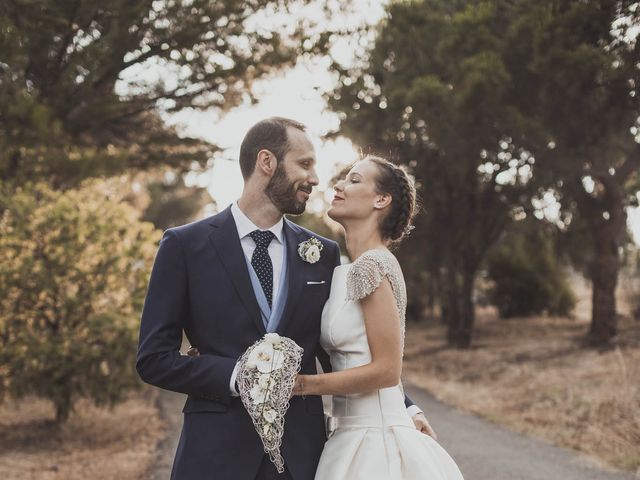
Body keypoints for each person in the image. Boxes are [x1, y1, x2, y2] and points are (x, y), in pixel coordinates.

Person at [136, 118, 431, 480]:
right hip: (214, 454)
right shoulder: (184, 245)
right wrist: (237, 375)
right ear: (267, 162)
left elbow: (343, 348)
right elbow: (153, 359)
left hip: (301, 457)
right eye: (304, 164)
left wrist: (406, 409)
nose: (316, 179)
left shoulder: (322, 252)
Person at [292, 155, 465, 479]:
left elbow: (387, 369)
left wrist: (302, 385)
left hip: (376, 440)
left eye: (354, 180)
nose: (340, 186)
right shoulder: (351, 269)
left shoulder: (372, 266)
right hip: (349, 434)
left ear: (381, 200)